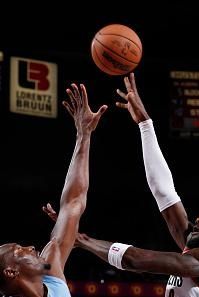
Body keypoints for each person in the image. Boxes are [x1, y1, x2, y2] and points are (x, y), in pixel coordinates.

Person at [44, 73, 199, 297]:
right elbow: (163, 192)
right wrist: (145, 123)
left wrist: (86, 241)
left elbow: (136, 260)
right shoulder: (195, 250)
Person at [0, 83, 107, 297]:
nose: (30, 246)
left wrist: (83, 135)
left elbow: (73, 203)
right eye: (19, 250)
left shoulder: (52, 278)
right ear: (11, 271)